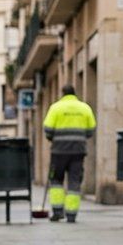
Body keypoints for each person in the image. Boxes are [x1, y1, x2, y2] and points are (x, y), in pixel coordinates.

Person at [42, 84, 96, 223]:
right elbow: (91, 129)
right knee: (74, 181)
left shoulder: (56, 108)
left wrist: (53, 138)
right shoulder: (84, 108)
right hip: (78, 151)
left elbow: (48, 129)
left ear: (63, 93)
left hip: (58, 151)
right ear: (74, 93)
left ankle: (58, 212)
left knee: (56, 181)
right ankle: (71, 215)